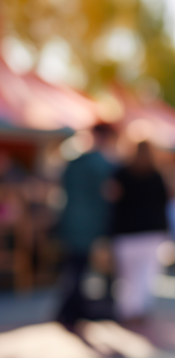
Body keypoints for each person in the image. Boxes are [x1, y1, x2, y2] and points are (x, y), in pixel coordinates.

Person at [54, 123, 117, 328]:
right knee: (84, 270)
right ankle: (72, 311)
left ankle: (69, 311)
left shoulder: (74, 161)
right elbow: (109, 195)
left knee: (74, 269)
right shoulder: (101, 163)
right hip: (91, 225)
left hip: (71, 222)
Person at [108, 141, 169, 323]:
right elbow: (164, 203)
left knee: (127, 275)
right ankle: (140, 308)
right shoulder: (156, 175)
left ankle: (128, 310)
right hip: (150, 232)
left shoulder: (121, 173)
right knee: (146, 274)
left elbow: (112, 200)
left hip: (126, 232)